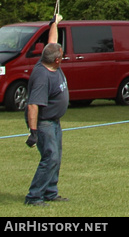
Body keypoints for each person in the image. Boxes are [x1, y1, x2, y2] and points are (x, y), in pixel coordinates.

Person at [25, 16, 69, 206]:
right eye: (62, 54)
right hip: (43, 123)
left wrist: (55, 24)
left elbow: (52, 41)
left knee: (56, 157)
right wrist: (33, 132)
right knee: (50, 156)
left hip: (54, 121)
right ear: (57, 60)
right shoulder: (42, 77)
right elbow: (33, 105)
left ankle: (50, 192)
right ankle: (34, 197)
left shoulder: (48, 60)